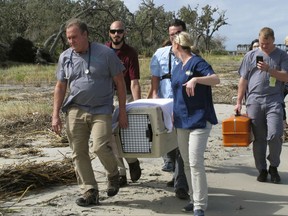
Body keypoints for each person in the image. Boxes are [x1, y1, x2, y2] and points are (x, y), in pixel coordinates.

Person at [51, 18, 128, 207]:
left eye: (74, 37)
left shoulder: (106, 53)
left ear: (85, 35)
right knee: (78, 152)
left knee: (99, 146)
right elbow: (60, 86)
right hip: (75, 110)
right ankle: (90, 191)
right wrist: (55, 116)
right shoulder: (65, 57)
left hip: (102, 109)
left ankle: (113, 174)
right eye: (68, 38)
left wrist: (123, 110)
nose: (71, 41)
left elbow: (120, 82)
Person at [171, 31, 220, 216]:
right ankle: (193, 198)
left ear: (177, 45)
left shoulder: (197, 62)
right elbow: (175, 94)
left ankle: (200, 205)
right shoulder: (177, 67)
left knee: (195, 161)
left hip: (199, 119)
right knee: (185, 162)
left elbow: (216, 79)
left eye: (172, 43)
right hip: (181, 120)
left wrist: (196, 79)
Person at [235, 27, 288, 184]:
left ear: (273, 40)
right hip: (254, 100)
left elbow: (286, 77)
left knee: (275, 134)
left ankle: (274, 165)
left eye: (267, 43)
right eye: (262, 43)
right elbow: (243, 79)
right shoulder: (250, 55)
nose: (264, 46)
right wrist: (238, 101)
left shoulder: (282, 55)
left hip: (274, 99)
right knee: (259, 138)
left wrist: (269, 69)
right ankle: (262, 169)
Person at [150, 19, 189, 201]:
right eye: (172, 33)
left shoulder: (191, 55)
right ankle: (175, 172)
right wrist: (155, 95)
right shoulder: (159, 53)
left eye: (178, 32)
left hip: (184, 105)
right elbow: (155, 77)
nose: (175, 36)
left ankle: (181, 184)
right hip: (164, 104)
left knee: (183, 144)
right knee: (168, 142)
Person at [105, 20, 142, 187]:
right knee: (110, 137)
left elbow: (134, 81)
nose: (116, 34)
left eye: (119, 31)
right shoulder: (104, 51)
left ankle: (133, 161)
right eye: (113, 31)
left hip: (125, 96)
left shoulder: (130, 53)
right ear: (109, 33)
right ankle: (121, 173)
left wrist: (138, 104)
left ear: (124, 33)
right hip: (106, 97)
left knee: (125, 133)